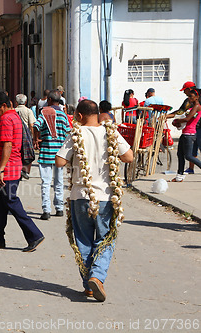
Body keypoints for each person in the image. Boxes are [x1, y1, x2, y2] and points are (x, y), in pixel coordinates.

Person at [55, 99, 133, 301]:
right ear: (97, 113)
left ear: (79, 116)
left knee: (83, 239)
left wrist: (76, 157)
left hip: (80, 197)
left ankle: (89, 284)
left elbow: (59, 161)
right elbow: (129, 157)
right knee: (106, 238)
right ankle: (97, 277)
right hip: (106, 197)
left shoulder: (76, 133)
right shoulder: (110, 132)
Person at [0, 92, 45, 252]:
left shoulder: (6, 119)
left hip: (7, 169)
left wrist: (1, 170)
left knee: (11, 202)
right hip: (8, 168)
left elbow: (8, 145)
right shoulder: (13, 116)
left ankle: (34, 235)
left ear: (3, 106)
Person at [33, 90, 70, 220]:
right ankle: (59, 208)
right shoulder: (63, 115)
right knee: (59, 182)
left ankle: (46, 210)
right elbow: (68, 133)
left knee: (46, 182)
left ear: (48, 100)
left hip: (46, 153)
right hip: (60, 154)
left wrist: (36, 139)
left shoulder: (44, 112)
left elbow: (36, 125)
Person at [171, 89, 201, 182]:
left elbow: (187, 119)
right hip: (185, 133)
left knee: (188, 156)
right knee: (180, 154)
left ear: (197, 97)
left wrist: (176, 121)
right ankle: (179, 176)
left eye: (191, 96)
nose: (189, 98)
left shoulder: (197, 106)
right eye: (188, 96)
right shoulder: (192, 107)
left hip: (190, 134)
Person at [14, 94, 36, 179]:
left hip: (17, 135)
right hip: (26, 135)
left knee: (18, 153)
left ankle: (18, 169)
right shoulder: (28, 111)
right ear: (26, 102)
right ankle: (25, 170)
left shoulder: (14, 110)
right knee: (27, 153)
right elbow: (31, 124)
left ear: (16, 102)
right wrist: (33, 136)